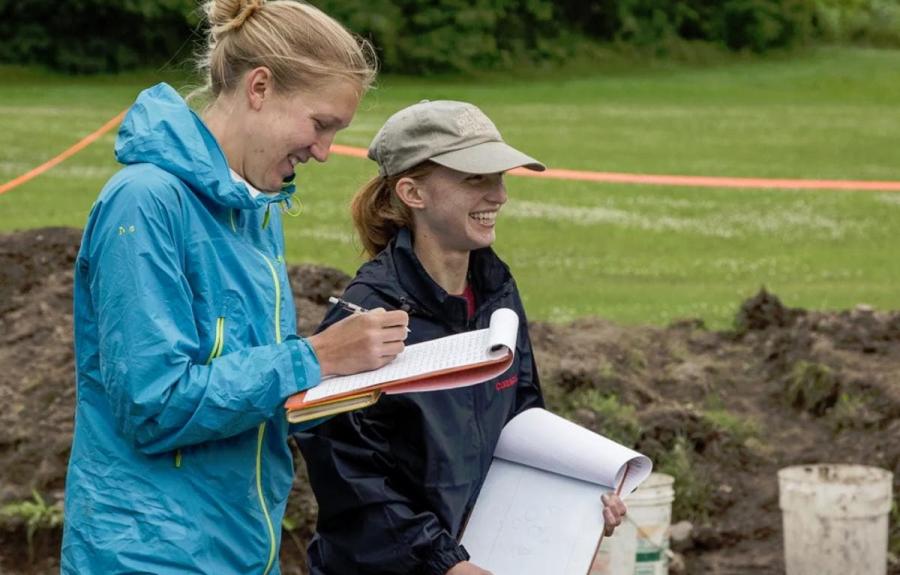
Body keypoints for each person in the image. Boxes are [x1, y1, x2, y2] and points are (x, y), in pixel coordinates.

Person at [61, 1, 409, 573]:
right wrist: (315, 359)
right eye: (320, 125)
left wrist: (362, 380)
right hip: (150, 554)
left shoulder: (256, 209)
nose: (323, 151)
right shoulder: (145, 202)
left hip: (243, 546)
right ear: (260, 86)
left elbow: (247, 384)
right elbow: (154, 404)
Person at [296, 100, 627, 575]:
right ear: (413, 192)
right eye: (476, 179)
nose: (500, 195)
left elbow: (523, 420)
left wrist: (574, 498)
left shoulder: (495, 288)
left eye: (500, 176)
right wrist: (443, 563)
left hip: (485, 555)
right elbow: (352, 481)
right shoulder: (367, 318)